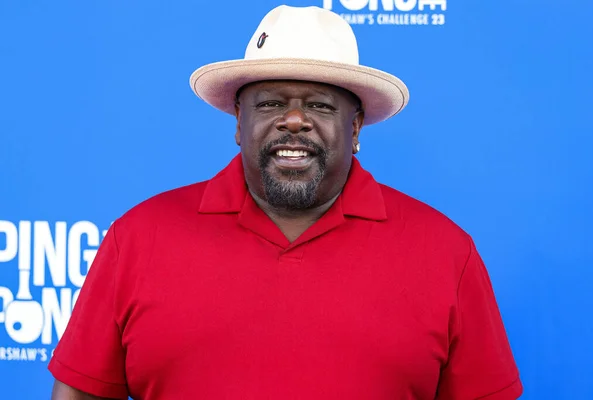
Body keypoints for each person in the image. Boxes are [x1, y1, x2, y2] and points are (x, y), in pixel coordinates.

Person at [49, 5, 523, 400]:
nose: (293, 121)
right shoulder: (138, 237)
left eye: (318, 105)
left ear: (355, 128)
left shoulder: (445, 252)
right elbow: (80, 392)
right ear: (239, 122)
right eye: (272, 103)